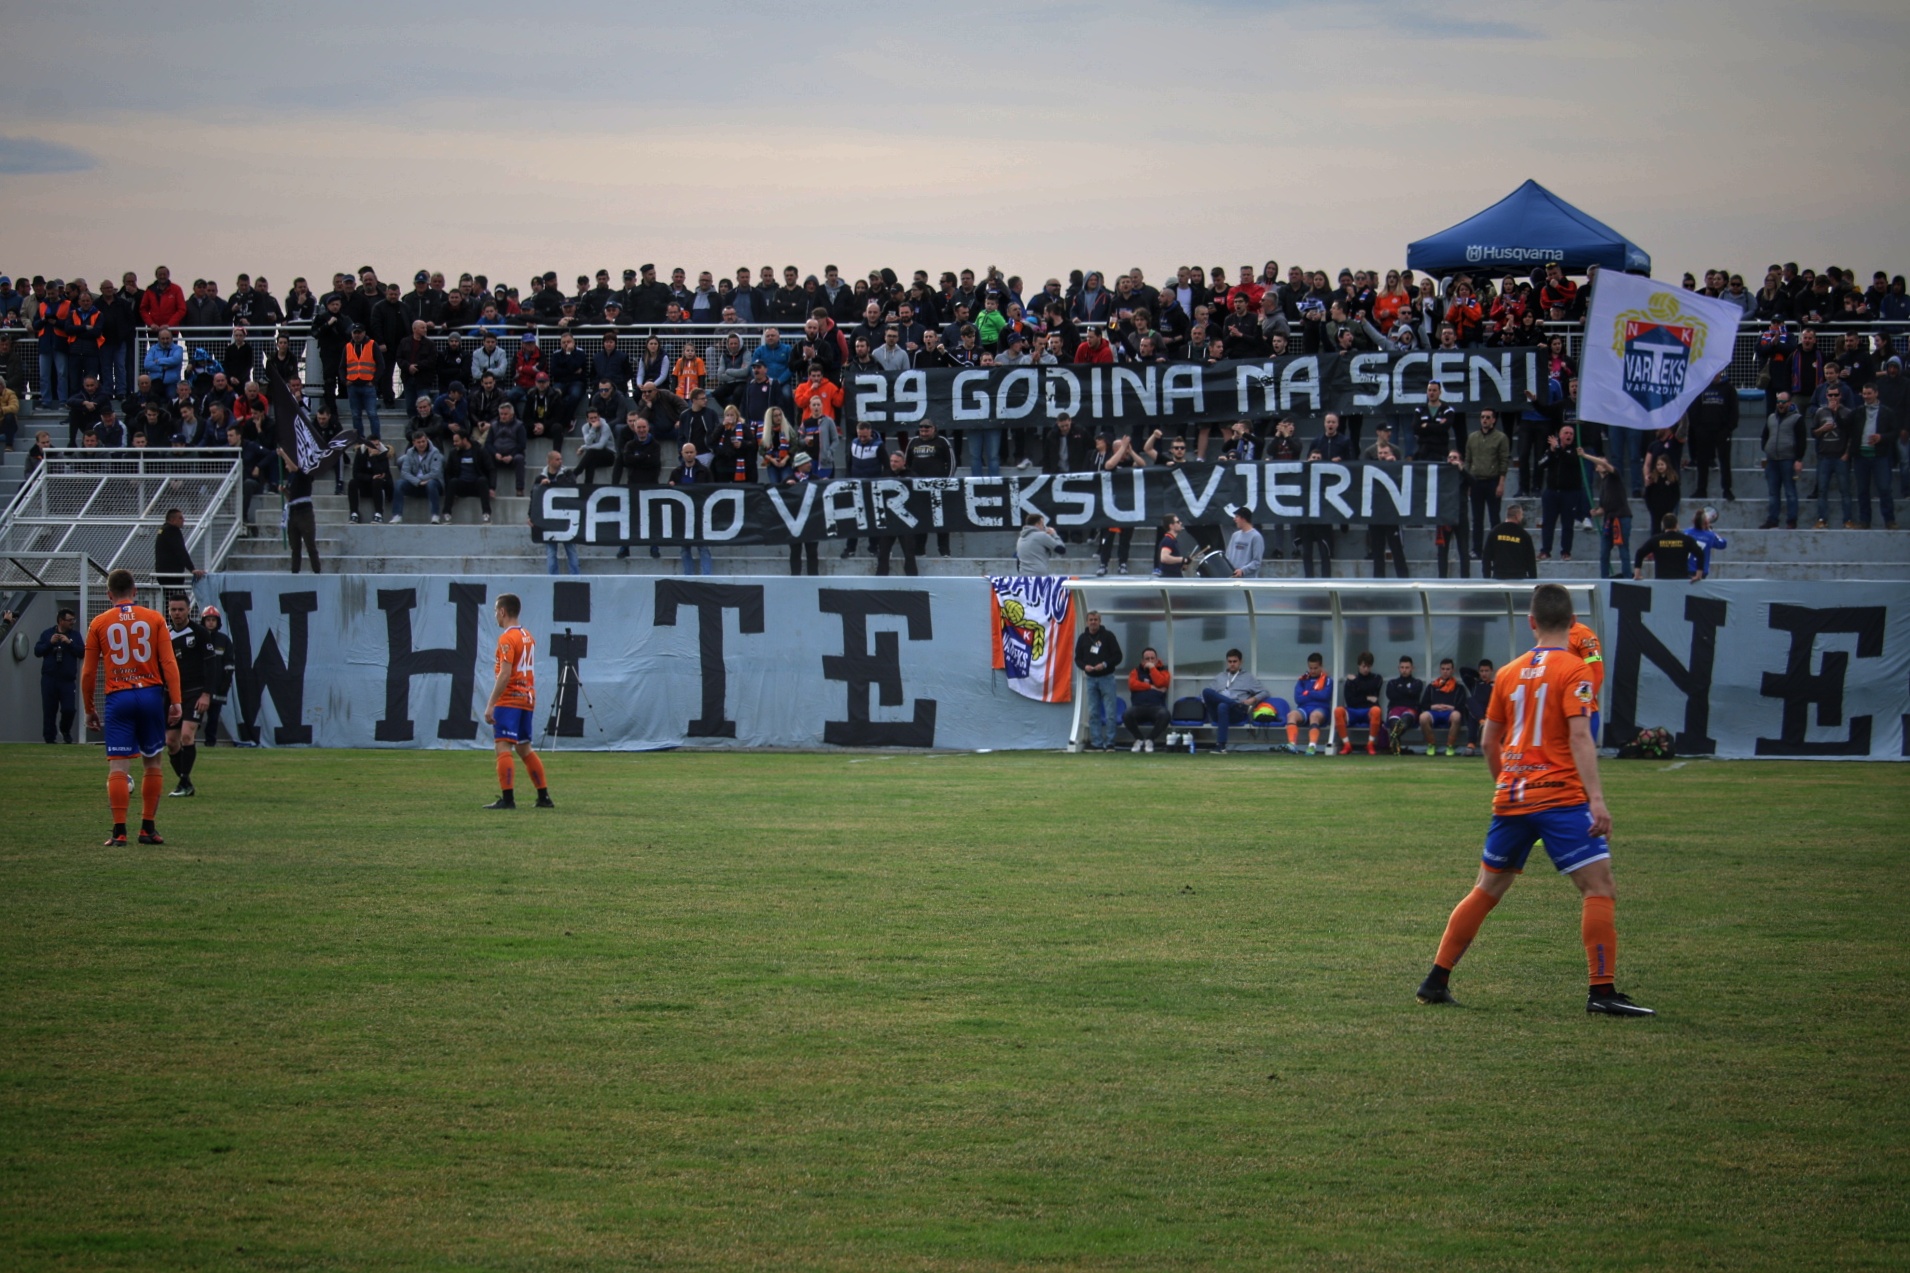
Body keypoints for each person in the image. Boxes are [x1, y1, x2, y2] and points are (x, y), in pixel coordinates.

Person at [1417, 583, 1653, 1017]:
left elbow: (1491, 741)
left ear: (1531, 622)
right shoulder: (1577, 671)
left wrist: (1505, 783)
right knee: (1598, 888)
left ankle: (1436, 979)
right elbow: (1580, 736)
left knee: (1487, 888)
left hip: (1512, 796)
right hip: (1560, 797)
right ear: (1573, 624)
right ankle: (1602, 991)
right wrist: (1596, 800)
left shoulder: (1507, 672)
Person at [82, 568, 183, 846]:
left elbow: (88, 673)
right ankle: (148, 828)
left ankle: (119, 832)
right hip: (150, 695)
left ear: (109, 594)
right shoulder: (154, 618)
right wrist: (175, 700)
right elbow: (169, 663)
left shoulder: (99, 623)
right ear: (135, 591)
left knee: (118, 767)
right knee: (153, 762)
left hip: (118, 697)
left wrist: (89, 707)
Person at [483, 593, 554, 810]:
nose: (496, 615)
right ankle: (543, 797)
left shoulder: (507, 638)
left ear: (503, 611)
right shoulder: (527, 636)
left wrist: (491, 704)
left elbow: (505, 674)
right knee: (524, 747)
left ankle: (508, 798)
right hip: (527, 697)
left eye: (496, 611)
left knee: (502, 745)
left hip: (510, 698)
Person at [163, 595, 222, 797]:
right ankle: (185, 783)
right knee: (171, 742)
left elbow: (211, 664)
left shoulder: (200, 633)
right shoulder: (165, 633)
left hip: (195, 693)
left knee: (187, 735)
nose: (177, 613)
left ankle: (184, 783)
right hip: (172, 694)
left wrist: (206, 694)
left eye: (180, 609)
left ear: (189, 610)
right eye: (173, 610)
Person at [1072, 610, 1123, 752]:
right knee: (1093, 712)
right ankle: (1097, 743)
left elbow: (1118, 656)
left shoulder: (1108, 636)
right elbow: (1077, 658)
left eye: (1096, 619)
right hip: (1091, 679)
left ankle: (1110, 742)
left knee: (1110, 711)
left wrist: (1105, 664)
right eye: (1091, 620)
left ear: (1100, 621)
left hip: (1106, 678)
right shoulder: (1083, 638)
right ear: (1087, 622)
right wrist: (1084, 667)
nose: (1093, 622)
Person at [1202, 647, 1266, 755]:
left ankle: (1221, 746)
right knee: (1206, 691)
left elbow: (1264, 692)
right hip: (1217, 712)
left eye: (1235, 661)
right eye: (1230, 661)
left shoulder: (1248, 678)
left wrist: (1252, 699)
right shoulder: (1219, 677)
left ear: (1240, 662)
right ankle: (1237, 705)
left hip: (1236, 713)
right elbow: (1205, 696)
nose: (1232, 664)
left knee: (1223, 705)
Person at [1465, 409, 1509, 559]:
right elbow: (1468, 461)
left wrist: (1501, 483)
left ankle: (1496, 548)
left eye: (1488, 417)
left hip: (1492, 481)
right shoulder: (1472, 437)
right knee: (1477, 519)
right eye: (1482, 417)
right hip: (1476, 481)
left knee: (1494, 518)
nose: (1484, 420)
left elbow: (1504, 461)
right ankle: (1477, 549)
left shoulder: (1501, 438)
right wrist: (1468, 483)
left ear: (1494, 420)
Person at [1760, 392, 1805, 530]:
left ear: (1789, 403)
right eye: (1778, 401)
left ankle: (1792, 520)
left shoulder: (1797, 419)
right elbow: (1765, 435)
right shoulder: (1771, 418)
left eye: (1783, 402)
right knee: (1773, 493)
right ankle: (1772, 519)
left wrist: (1798, 459)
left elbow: (1801, 440)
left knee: (1790, 492)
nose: (1780, 404)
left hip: (1788, 459)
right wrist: (1766, 449)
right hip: (1772, 460)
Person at [35, 607, 81, 744]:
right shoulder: (47, 634)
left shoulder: (75, 636)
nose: (72, 623)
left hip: (67, 680)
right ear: (61, 621)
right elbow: (37, 651)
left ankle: (65, 729)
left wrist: (69, 643)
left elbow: (82, 652)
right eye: (70, 620)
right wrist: (50, 643)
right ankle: (49, 739)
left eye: (73, 620)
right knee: (49, 710)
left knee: (69, 709)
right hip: (49, 679)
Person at [277, 447, 321, 574]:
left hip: (305, 513)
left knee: (310, 546)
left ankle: (317, 571)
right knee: (295, 548)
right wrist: (284, 491)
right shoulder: (292, 478)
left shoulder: (305, 473)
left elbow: (296, 468)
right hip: (293, 513)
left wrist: (284, 454)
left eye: (287, 463)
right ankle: (295, 572)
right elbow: (292, 497)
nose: (286, 466)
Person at [198, 606, 236, 746]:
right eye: (208, 619)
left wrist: (226, 683)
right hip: (199, 687)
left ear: (218, 622)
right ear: (203, 621)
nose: (210, 623)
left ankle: (210, 744)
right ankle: (188, 743)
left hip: (218, 687)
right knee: (195, 718)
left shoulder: (224, 640)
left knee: (213, 718)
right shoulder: (197, 638)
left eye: (213, 620)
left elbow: (229, 663)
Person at [1334, 651, 1384, 756]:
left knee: (1376, 710)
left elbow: (1373, 690)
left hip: (1368, 712)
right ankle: (1347, 745)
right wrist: (1367, 697)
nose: (1366, 669)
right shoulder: (1349, 681)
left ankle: (1370, 744)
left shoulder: (1377, 678)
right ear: (1358, 665)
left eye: (1368, 666)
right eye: (1363, 666)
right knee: (1338, 711)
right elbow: (1350, 701)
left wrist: (1356, 682)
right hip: (1353, 711)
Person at [1418, 658, 1468, 756]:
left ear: (1453, 670)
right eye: (1443, 669)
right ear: (1440, 670)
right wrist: (1434, 707)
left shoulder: (1459, 688)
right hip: (1434, 713)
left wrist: (1451, 707)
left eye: (1448, 669)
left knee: (1457, 716)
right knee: (1423, 717)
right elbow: (1423, 704)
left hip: (1450, 713)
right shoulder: (1432, 686)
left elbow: (1462, 706)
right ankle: (1431, 744)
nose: (1445, 671)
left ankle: (1450, 746)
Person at [1633, 513, 1705, 581]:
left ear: (1663, 525)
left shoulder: (1656, 540)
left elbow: (1640, 553)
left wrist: (1637, 574)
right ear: (1677, 525)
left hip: (1661, 579)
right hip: (1681, 579)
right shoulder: (1686, 539)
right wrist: (1698, 575)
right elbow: (1700, 553)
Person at [1125, 647, 1171, 753]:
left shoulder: (1163, 672)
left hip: (1156, 707)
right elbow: (1132, 685)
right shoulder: (1135, 671)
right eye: (1147, 659)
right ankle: (1139, 739)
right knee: (1127, 714)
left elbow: (1161, 683)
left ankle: (1150, 739)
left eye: (1152, 658)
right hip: (1138, 707)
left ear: (1156, 659)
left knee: (1165, 715)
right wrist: (1151, 687)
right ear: (1142, 661)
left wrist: (1152, 669)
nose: (1150, 661)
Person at [392, 432, 444, 524]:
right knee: (399, 483)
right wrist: (417, 481)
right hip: (415, 484)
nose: (421, 444)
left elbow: (435, 472)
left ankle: (435, 515)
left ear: (427, 440)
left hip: (433, 483)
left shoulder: (434, 452)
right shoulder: (409, 452)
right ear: (413, 443)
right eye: (418, 442)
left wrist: (421, 480)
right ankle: (397, 515)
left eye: (423, 441)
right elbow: (404, 472)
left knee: (431, 483)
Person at [1286, 652, 1332, 754]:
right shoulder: (1303, 679)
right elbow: (1298, 698)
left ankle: (1312, 747)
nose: (1312, 671)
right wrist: (1315, 694)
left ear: (1321, 666)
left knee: (1314, 716)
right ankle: (1292, 745)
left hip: (1321, 709)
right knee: (1291, 715)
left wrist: (1308, 693)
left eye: (1315, 668)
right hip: (1304, 709)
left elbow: (1325, 696)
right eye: (1310, 668)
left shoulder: (1327, 680)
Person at [153, 507, 203, 596]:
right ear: (172, 520)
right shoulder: (172, 531)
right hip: (172, 575)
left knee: (170, 600)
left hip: (163, 574)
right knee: (179, 601)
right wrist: (192, 569)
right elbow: (180, 551)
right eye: (180, 518)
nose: (183, 520)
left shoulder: (163, 530)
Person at [1384, 656, 1428, 754]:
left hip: (1410, 709)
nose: (1404, 670)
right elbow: (1391, 695)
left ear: (1412, 668)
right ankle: (1396, 747)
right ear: (1398, 668)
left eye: (1407, 667)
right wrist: (1408, 692)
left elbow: (1414, 693)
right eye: (1402, 667)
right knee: (1394, 723)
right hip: (1395, 708)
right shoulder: (1392, 682)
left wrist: (1400, 691)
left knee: (1404, 721)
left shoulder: (1417, 682)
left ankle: (1394, 744)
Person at [1486, 504, 1537, 581]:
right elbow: (1531, 561)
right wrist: (1533, 582)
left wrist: (1486, 579)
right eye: (1521, 515)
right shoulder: (1524, 535)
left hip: (1499, 576)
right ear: (1517, 516)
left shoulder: (1495, 532)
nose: (1522, 517)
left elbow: (1486, 557)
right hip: (1519, 577)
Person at [1687, 508, 1729, 577]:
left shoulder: (1686, 532)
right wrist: (1710, 530)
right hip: (1701, 571)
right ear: (1706, 522)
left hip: (1686, 569)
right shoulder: (1710, 535)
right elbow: (1723, 543)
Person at [1225, 508, 1263, 577]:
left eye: (1237, 517)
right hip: (1233, 579)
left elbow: (1257, 562)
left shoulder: (1256, 537)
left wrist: (1243, 571)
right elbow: (1228, 555)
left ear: (1243, 519)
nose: (1234, 519)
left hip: (1248, 581)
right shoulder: (1235, 535)